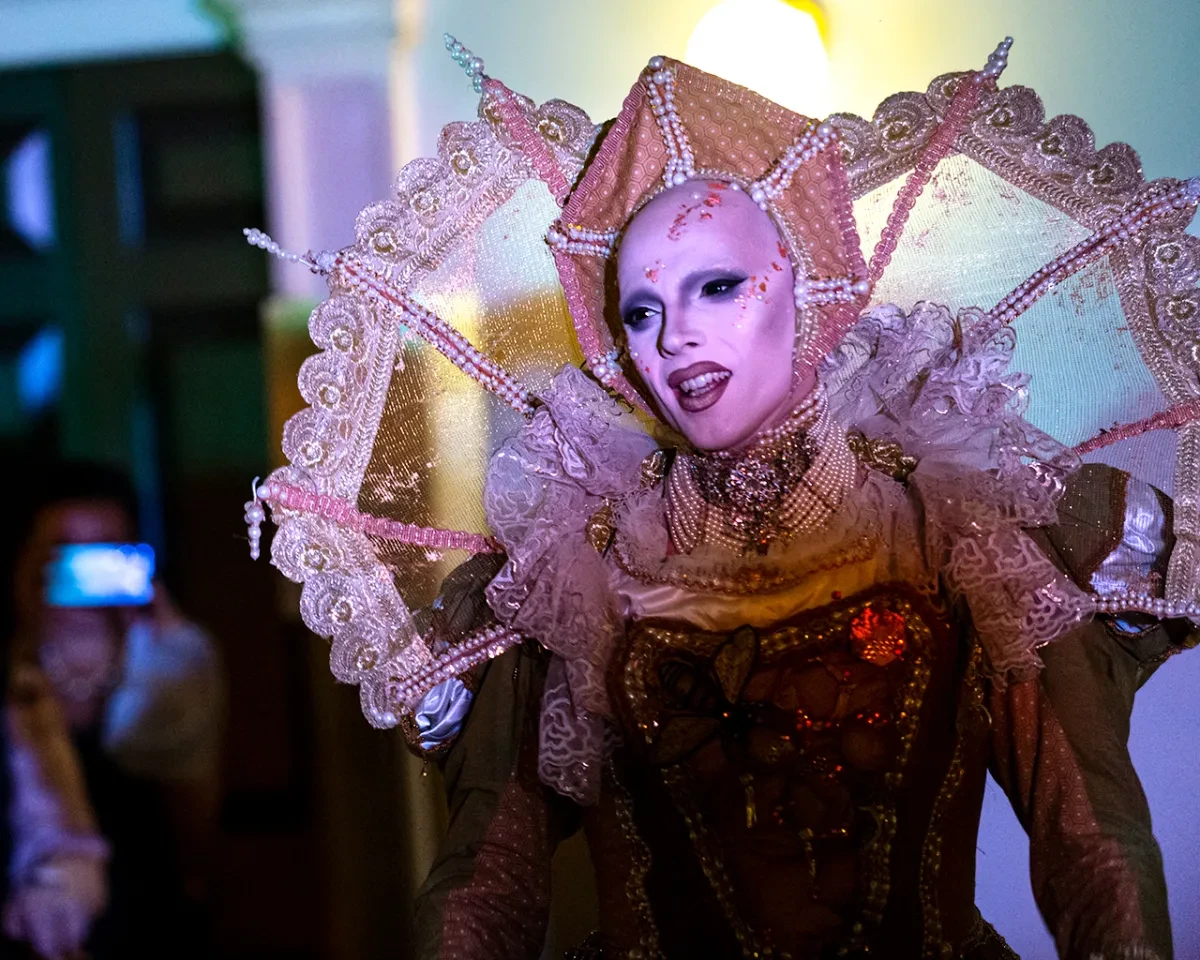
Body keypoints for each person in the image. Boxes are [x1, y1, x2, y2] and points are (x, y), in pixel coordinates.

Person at [246, 37, 1199, 959]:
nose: (674, 341)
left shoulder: (963, 519)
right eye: (643, 312)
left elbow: (1092, 838)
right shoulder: (570, 561)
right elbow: (486, 875)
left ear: (804, 287)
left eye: (717, 286)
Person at [9, 462, 224, 959]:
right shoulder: (16, 677)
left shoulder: (175, 665)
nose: (86, 566)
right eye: (63, 549)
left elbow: (195, 826)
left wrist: (167, 655)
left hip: (155, 928)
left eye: (106, 548)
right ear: (29, 559)